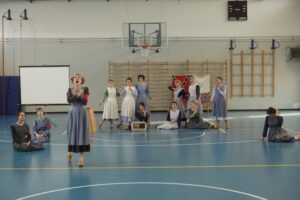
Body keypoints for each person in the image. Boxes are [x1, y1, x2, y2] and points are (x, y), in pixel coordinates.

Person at [67, 73, 90, 167]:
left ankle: (81, 157)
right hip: (72, 113)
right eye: (75, 78)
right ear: (73, 80)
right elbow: (69, 101)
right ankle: (70, 151)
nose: (77, 79)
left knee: (81, 133)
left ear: (81, 80)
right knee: (72, 132)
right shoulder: (69, 90)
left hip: (81, 112)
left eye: (78, 77)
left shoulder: (86, 89)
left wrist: (77, 95)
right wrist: (77, 95)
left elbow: (85, 102)